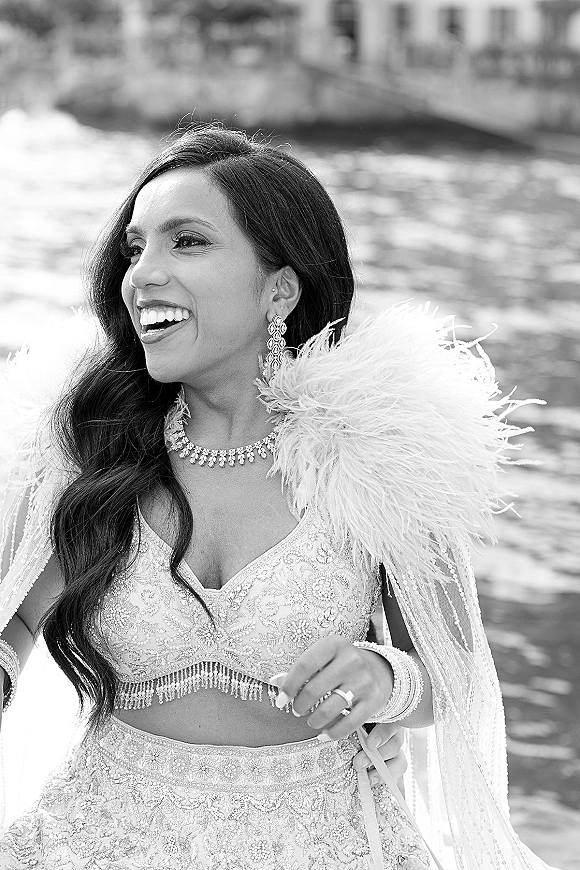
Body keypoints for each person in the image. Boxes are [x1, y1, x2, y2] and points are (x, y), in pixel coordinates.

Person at [0, 124, 554, 870]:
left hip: (327, 841)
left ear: (280, 289)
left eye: (186, 242)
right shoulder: (87, 441)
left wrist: (383, 678)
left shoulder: (380, 451)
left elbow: (450, 676)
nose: (142, 275)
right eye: (136, 248)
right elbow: (21, 617)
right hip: (95, 838)